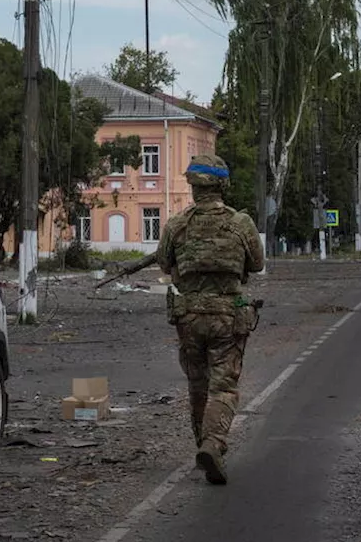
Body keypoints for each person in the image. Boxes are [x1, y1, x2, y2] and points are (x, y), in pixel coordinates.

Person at [97, 154, 264, 484]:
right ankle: (213, 444)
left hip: (188, 317)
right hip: (227, 316)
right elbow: (256, 264)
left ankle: (203, 445)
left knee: (197, 386)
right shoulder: (240, 223)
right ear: (222, 185)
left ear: (191, 186)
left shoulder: (176, 223)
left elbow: (164, 263)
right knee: (224, 387)